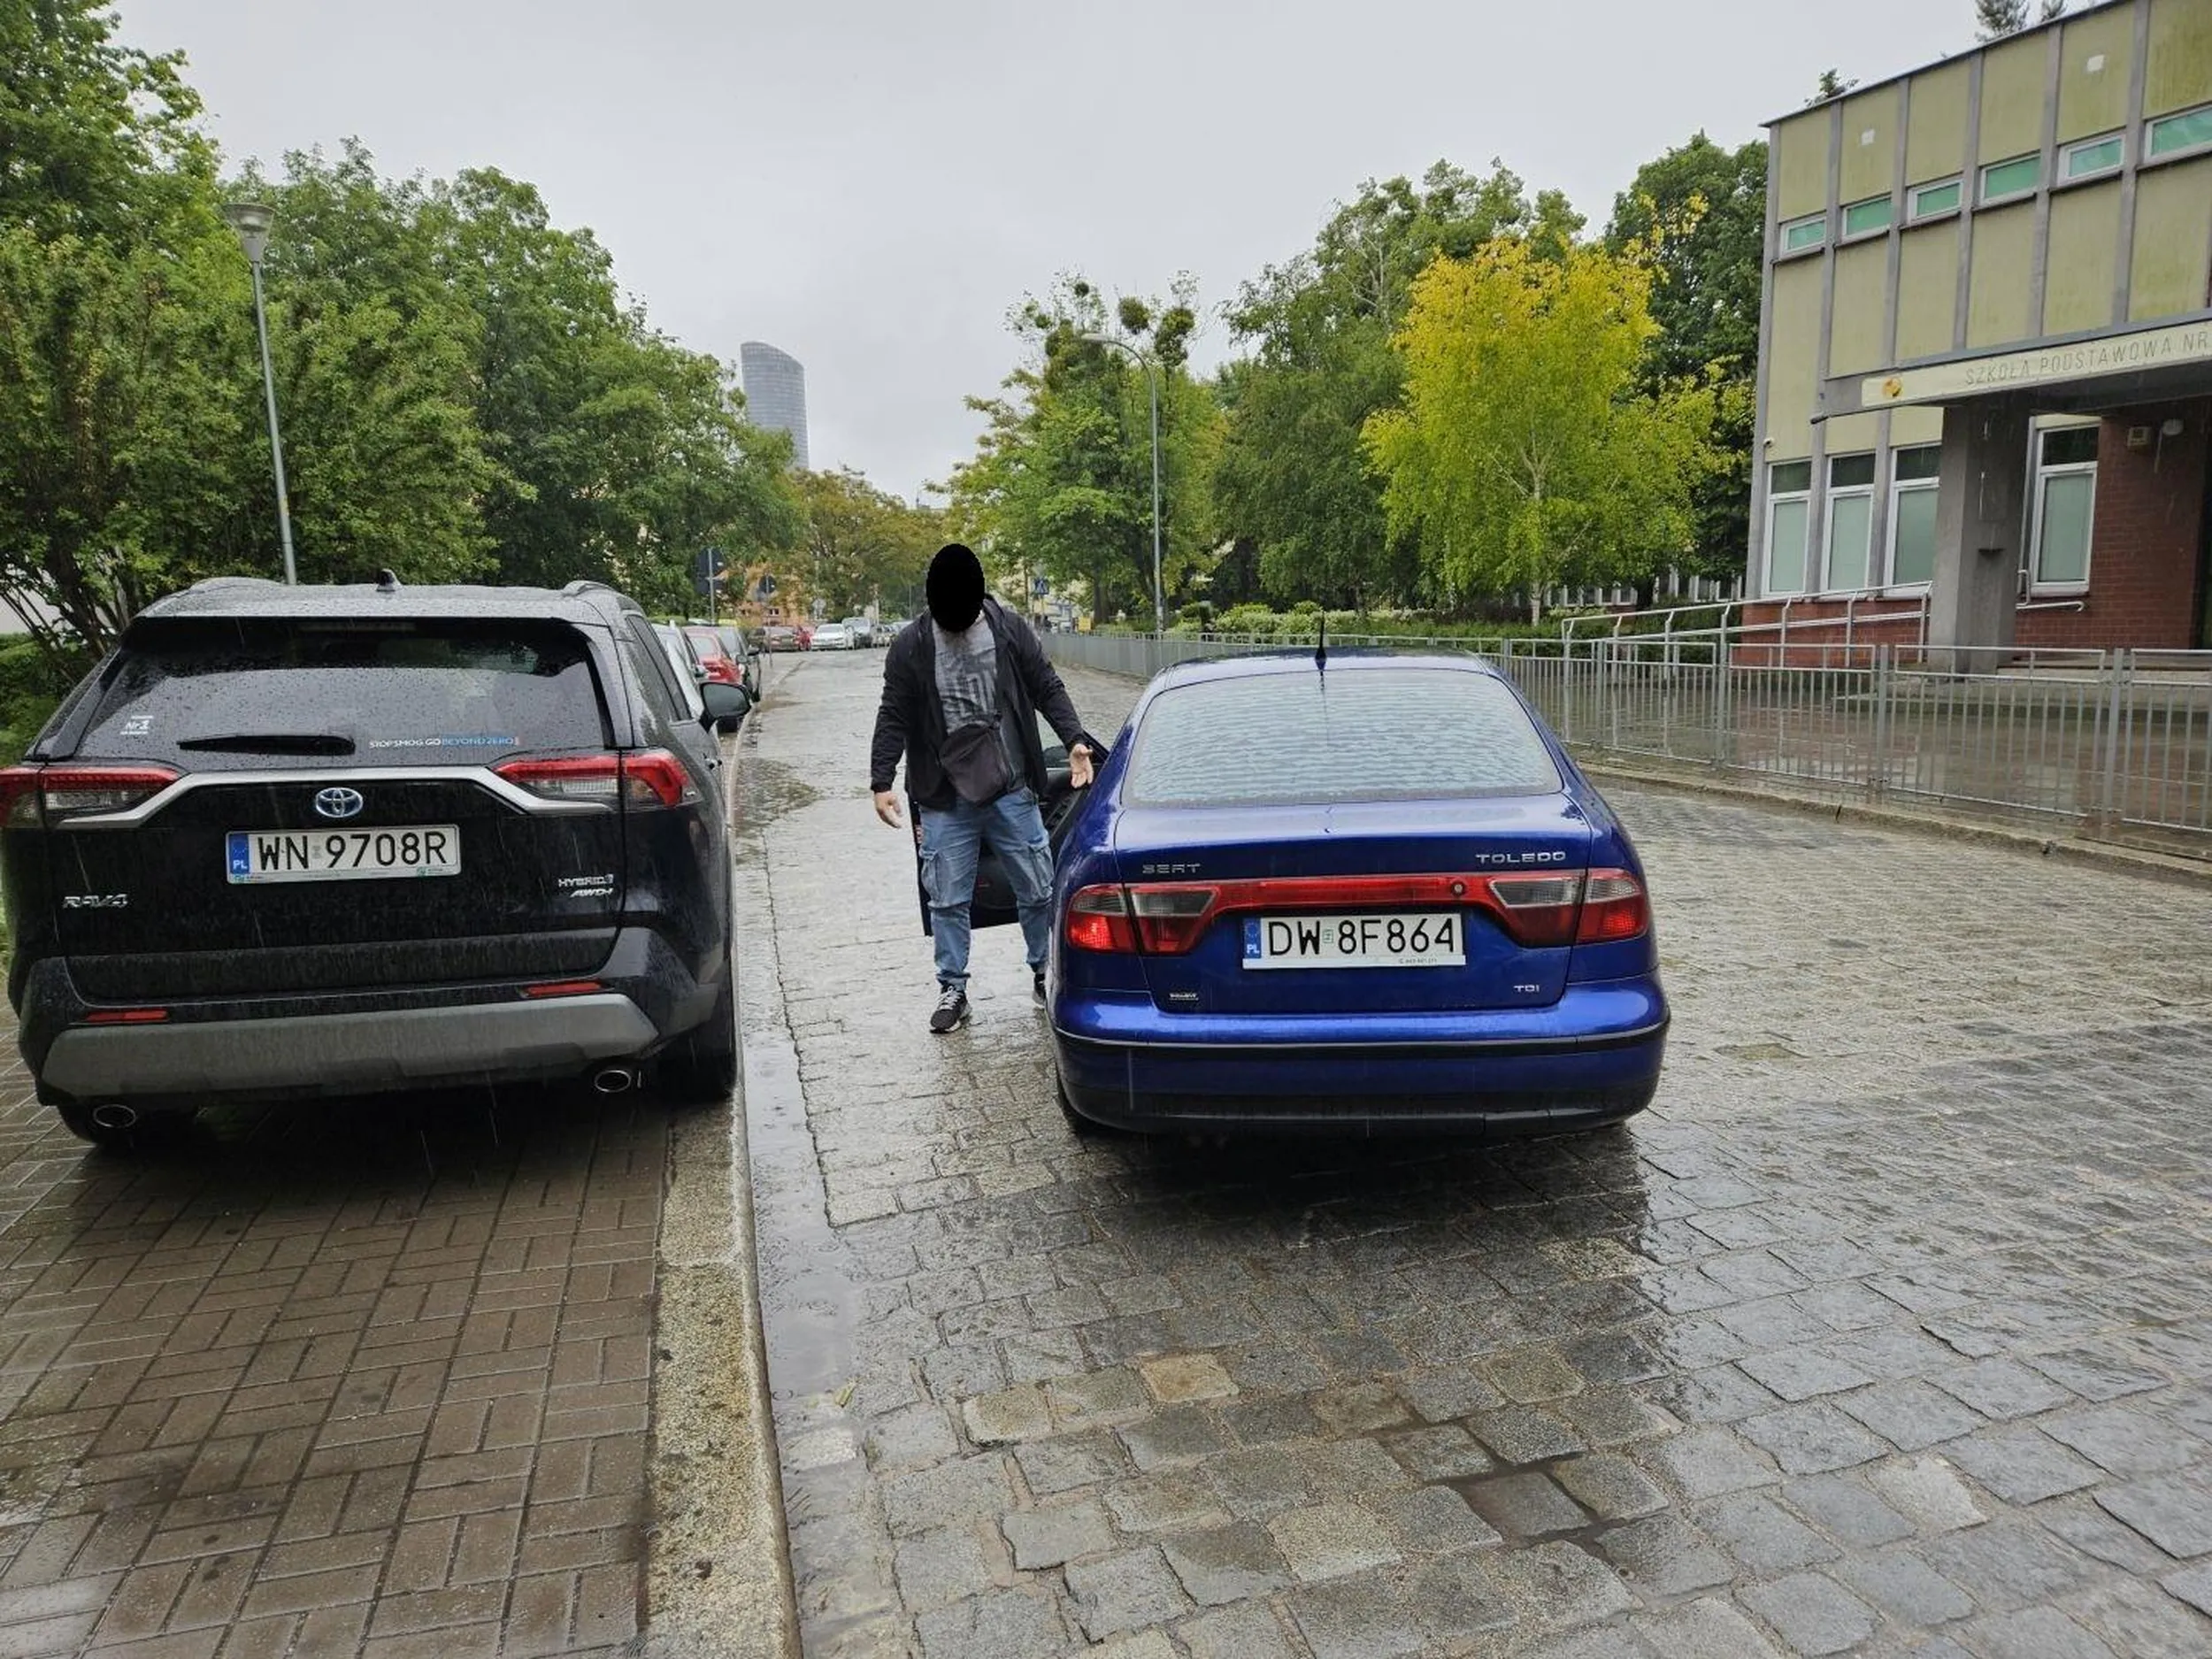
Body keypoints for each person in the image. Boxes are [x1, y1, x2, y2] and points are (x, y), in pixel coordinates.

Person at [871, 543, 1096, 1033]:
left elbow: (1047, 685)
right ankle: (953, 987)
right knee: (947, 898)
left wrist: (1074, 740)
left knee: (1037, 886)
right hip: (943, 795)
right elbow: (894, 711)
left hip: (1010, 786)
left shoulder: (1008, 629)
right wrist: (881, 779)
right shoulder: (912, 645)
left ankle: (1045, 971)